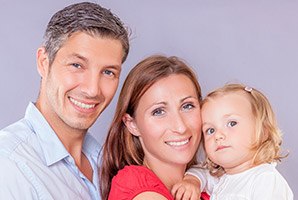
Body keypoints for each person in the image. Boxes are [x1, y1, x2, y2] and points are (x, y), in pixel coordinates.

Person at [0, 2, 129, 200]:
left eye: (108, 72)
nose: (92, 89)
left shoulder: (109, 163)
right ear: (44, 62)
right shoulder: (8, 164)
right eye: (77, 65)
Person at [100, 55, 207, 200]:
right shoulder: (134, 184)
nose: (180, 127)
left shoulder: (206, 184)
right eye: (159, 112)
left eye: (187, 106)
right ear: (132, 124)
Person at [174, 83, 294, 199]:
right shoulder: (220, 178)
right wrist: (192, 181)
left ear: (263, 131)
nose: (218, 135)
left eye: (232, 123)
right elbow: (200, 172)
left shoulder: (265, 179)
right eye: (210, 130)